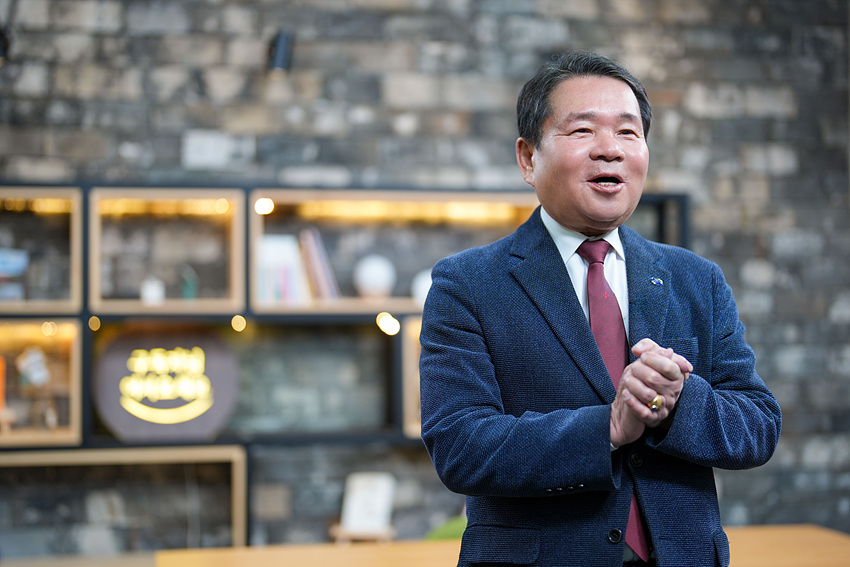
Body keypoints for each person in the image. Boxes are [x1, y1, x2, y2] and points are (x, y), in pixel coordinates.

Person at [418, 51, 782, 567]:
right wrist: (608, 427)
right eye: (583, 130)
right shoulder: (468, 284)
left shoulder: (696, 279)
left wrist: (677, 402)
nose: (609, 149)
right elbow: (461, 446)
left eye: (628, 132)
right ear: (528, 158)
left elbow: (758, 425)